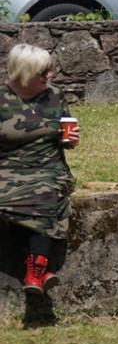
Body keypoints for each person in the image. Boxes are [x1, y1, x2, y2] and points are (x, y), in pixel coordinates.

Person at [0, 44, 76, 292]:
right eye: (42, 73)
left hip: (49, 166)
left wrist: (70, 139)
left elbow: (66, 133)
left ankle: (35, 270)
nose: (49, 76)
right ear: (24, 73)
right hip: (8, 168)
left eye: (49, 71)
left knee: (44, 193)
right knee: (15, 197)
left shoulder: (54, 94)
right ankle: (37, 269)